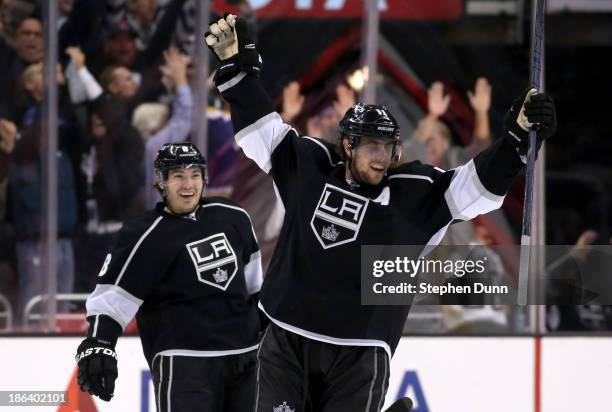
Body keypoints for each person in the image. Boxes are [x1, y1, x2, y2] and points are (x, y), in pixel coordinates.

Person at [206, 14, 557, 412]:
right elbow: (261, 132)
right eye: (371, 146)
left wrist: (515, 139)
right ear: (348, 146)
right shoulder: (309, 167)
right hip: (287, 341)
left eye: (389, 147)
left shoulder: (415, 193)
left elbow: (476, 187)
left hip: (361, 352)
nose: (382, 157)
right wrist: (234, 70)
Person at [75, 142, 264, 411]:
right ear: (161, 182)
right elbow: (111, 300)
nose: (188, 185)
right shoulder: (144, 235)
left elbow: (256, 289)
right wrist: (99, 343)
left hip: (246, 360)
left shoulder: (234, 217)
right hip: (185, 364)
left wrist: (275, 340)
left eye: (195, 175)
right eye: (178, 176)